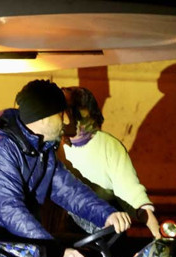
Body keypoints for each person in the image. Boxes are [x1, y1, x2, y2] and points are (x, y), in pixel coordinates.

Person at [0, 79, 131, 257]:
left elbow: (70, 192)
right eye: (61, 113)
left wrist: (107, 215)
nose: (66, 121)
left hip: (17, 238)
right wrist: (55, 251)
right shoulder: (0, 151)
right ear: (42, 118)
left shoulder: (42, 151)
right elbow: (10, 210)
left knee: (88, 254)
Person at [60, 86, 161, 238]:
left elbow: (130, 191)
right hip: (65, 231)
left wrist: (157, 233)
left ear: (84, 113)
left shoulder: (109, 145)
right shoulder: (52, 145)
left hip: (106, 229)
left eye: (65, 110)